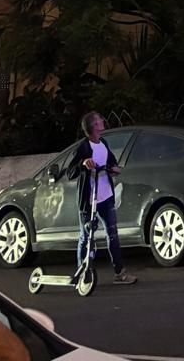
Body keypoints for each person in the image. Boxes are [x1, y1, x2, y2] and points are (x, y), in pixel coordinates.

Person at [66, 111, 137, 286]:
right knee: (85, 237)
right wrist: (83, 164)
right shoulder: (83, 147)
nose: (102, 121)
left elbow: (112, 162)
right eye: (98, 120)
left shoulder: (103, 143)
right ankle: (82, 274)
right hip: (89, 200)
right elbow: (70, 172)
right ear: (92, 127)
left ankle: (119, 273)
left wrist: (114, 169)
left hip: (106, 196)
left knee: (112, 234)